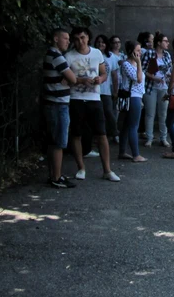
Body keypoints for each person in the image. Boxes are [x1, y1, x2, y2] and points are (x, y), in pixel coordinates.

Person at [65, 27, 120, 182]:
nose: (80, 41)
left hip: (94, 98)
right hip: (76, 98)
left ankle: (107, 170)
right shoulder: (69, 56)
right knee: (77, 134)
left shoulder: (96, 53)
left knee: (101, 134)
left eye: (82, 37)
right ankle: (81, 167)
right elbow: (65, 79)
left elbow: (104, 72)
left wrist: (100, 80)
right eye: (76, 39)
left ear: (88, 37)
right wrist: (81, 80)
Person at [43, 28, 77, 189]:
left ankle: (53, 174)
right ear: (56, 39)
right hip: (58, 103)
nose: (68, 41)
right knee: (58, 142)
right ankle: (56, 177)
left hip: (54, 102)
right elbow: (73, 78)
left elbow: (69, 79)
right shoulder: (56, 56)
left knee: (53, 141)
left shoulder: (54, 55)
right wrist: (70, 79)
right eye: (65, 38)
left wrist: (69, 79)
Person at [117, 41, 147, 162]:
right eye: (138, 50)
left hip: (136, 96)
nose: (140, 53)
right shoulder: (127, 64)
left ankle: (122, 151)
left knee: (126, 126)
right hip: (132, 96)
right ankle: (136, 154)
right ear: (131, 51)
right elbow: (138, 79)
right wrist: (139, 63)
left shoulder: (132, 64)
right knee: (133, 126)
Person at [142, 31, 171, 147]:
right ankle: (149, 138)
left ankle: (163, 138)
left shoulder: (167, 55)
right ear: (159, 43)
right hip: (151, 87)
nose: (167, 43)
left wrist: (168, 75)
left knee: (163, 113)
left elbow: (170, 69)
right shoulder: (149, 53)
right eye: (165, 41)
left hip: (164, 87)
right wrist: (154, 77)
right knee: (150, 113)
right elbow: (143, 70)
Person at [94, 35, 119, 145]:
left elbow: (114, 75)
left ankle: (115, 133)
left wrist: (115, 91)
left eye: (103, 42)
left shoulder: (111, 57)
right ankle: (98, 136)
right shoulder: (92, 55)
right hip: (93, 91)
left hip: (106, 91)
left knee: (109, 112)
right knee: (96, 115)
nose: (100, 44)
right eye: (98, 42)